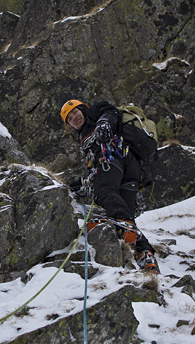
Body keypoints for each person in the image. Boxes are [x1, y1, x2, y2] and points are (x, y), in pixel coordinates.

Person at [60, 98, 160, 274]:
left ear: (83, 109)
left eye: (75, 112)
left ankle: (124, 226)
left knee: (104, 192)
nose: (74, 118)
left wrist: (104, 123)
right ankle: (146, 256)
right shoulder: (84, 137)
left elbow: (110, 110)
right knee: (126, 215)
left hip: (115, 157)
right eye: (69, 119)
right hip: (129, 169)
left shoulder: (95, 112)